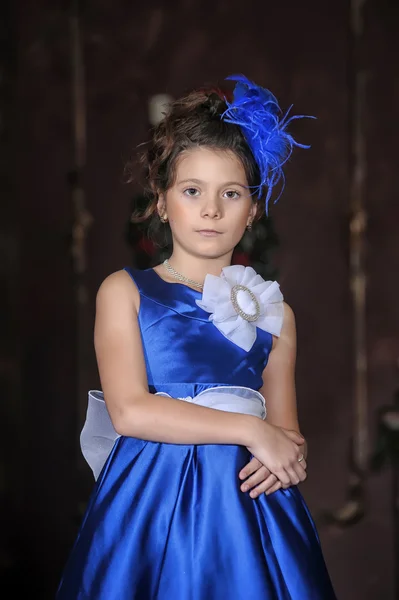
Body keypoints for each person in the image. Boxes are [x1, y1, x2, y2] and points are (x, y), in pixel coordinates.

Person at [57, 75, 336, 599]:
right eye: (192, 191)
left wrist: (286, 451)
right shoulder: (126, 293)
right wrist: (251, 432)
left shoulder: (276, 313)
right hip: (150, 502)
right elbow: (131, 412)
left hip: (248, 514)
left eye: (231, 193)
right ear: (162, 202)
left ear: (253, 209)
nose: (211, 210)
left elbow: (287, 437)